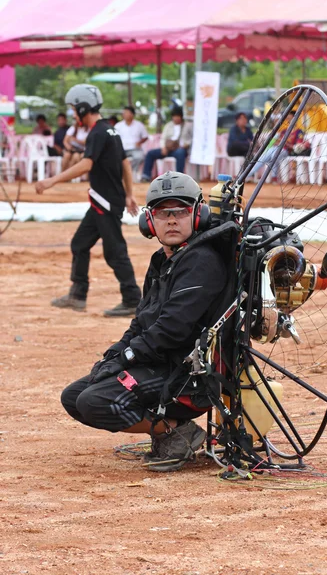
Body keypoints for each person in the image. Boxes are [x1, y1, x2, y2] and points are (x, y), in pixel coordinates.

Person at [60, 171, 228, 472]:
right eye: (164, 213)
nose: (172, 220)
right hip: (157, 361)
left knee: (95, 402)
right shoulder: (161, 260)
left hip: (187, 373)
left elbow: (172, 330)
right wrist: (116, 353)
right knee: (74, 396)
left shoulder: (201, 261)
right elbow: (142, 321)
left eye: (180, 211)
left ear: (198, 214)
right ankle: (169, 429)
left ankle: (178, 433)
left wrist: (128, 356)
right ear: (149, 221)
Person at [35, 83, 142, 318]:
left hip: (105, 203)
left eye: (74, 109)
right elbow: (125, 162)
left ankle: (133, 299)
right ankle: (77, 295)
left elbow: (86, 164)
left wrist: (52, 180)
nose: (73, 114)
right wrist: (129, 194)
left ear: (84, 107)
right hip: (101, 201)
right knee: (79, 244)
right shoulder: (110, 131)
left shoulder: (97, 132)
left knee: (115, 252)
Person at [251, 110, 307, 181]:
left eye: (290, 118)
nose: (289, 120)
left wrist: (285, 143)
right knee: (263, 157)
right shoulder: (284, 131)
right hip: (277, 148)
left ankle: (274, 177)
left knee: (274, 155)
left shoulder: (299, 132)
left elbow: (296, 147)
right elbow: (276, 142)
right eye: (288, 119)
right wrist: (279, 142)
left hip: (286, 150)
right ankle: (248, 174)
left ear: (295, 119)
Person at [141, 107, 192, 183]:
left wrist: (186, 144)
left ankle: (179, 177)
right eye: (174, 116)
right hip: (168, 149)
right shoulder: (168, 125)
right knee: (150, 153)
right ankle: (146, 176)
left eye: (178, 116)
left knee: (180, 153)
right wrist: (163, 147)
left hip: (180, 149)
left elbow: (192, 138)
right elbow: (163, 138)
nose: (176, 118)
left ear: (181, 116)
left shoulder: (187, 126)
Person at [115, 106, 148, 176]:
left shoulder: (139, 125)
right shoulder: (118, 125)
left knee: (139, 156)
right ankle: (121, 175)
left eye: (126, 113)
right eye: (124, 113)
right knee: (114, 158)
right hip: (122, 149)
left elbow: (145, 137)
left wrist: (140, 142)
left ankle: (131, 172)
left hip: (135, 148)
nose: (124, 114)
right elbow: (114, 138)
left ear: (132, 114)